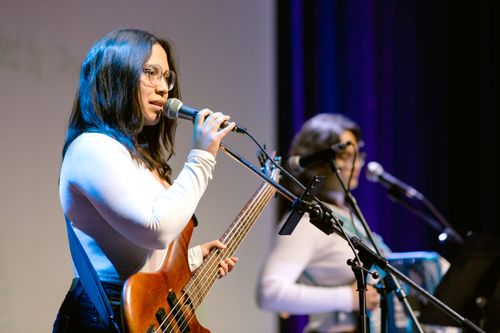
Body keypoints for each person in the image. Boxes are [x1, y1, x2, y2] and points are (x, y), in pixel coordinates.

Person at [52, 28, 238, 332]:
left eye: (167, 76)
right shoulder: (91, 148)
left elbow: (137, 247)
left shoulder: (134, 155)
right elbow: (155, 229)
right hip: (103, 314)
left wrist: (190, 259)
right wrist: (203, 157)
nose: (164, 88)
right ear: (117, 76)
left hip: (141, 305)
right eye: (151, 73)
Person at [256, 113, 391, 333]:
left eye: (356, 155)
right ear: (316, 161)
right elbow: (269, 293)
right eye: (345, 156)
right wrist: (347, 298)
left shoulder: (347, 215)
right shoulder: (304, 221)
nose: (355, 164)